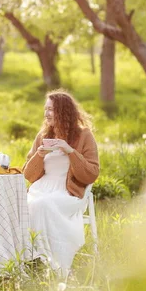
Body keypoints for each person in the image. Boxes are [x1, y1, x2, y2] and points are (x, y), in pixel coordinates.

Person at [23, 89, 99, 274]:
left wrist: (70, 151)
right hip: (41, 188)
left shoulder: (84, 136)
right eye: (46, 109)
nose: (47, 113)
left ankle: (51, 262)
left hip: (67, 191)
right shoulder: (43, 136)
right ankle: (29, 258)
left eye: (52, 109)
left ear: (64, 112)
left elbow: (92, 173)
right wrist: (39, 156)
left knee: (43, 205)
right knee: (26, 205)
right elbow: (28, 174)